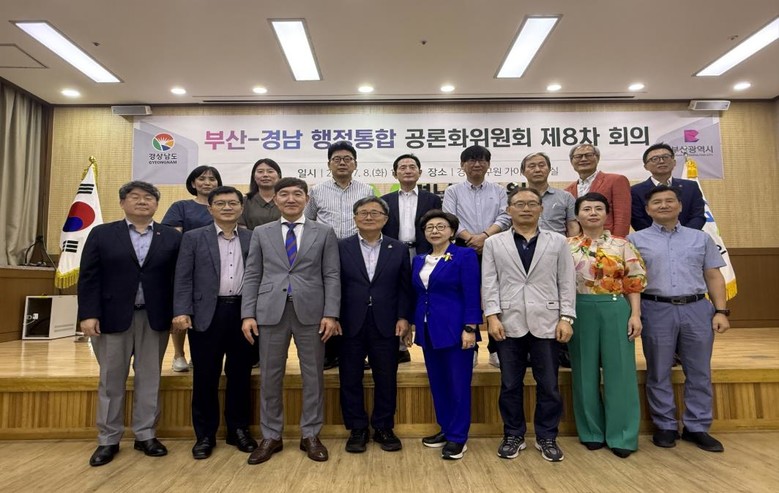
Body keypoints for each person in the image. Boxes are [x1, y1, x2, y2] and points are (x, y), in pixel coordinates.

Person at [78, 181, 181, 467]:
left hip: (154, 317)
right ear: (123, 203)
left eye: (148, 197)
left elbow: (178, 279)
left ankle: (145, 434)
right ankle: (108, 439)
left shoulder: (170, 237)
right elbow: (89, 277)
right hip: (111, 318)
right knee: (111, 379)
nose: (142, 201)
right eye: (135, 197)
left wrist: (178, 312)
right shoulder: (102, 234)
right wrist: (88, 314)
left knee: (150, 378)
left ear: (156, 204)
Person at [241, 177, 341, 464]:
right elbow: (252, 274)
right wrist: (248, 314)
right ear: (275, 200)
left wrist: (331, 313)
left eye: (297, 194)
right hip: (270, 311)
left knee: (313, 376)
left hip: (312, 312)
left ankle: (310, 434)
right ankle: (271, 435)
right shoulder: (261, 232)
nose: (291, 199)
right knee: (270, 376)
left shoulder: (324, 232)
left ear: (307, 200)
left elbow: (331, 274)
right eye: (284, 194)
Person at [628, 185, 730, 453]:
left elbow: (713, 276)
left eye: (669, 201)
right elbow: (631, 281)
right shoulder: (635, 241)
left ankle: (697, 427)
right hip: (655, 308)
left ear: (680, 206)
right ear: (648, 209)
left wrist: (721, 311)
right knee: (658, 370)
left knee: (699, 371)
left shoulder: (700, 238)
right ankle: (665, 425)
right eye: (657, 202)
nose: (664, 205)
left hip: (696, 308)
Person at [481, 187, 576, 463]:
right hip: (507, 322)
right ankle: (513, 434)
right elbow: (489, 282)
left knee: (549, 385)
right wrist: (492, 316)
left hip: (548, 321)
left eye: (532, 204)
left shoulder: (558, 241)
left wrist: (566, 317)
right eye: (519, 204)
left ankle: (547, 436)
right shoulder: (494, 243)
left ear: (541, 209)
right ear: (508, 209)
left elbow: (566, 281)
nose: (526, 208)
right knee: (510, 384)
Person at [172, 186, 257, 460]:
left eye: (232, 203)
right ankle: (205, 435)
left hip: (244, 314)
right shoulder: (194, 238)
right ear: (210, 209)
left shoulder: (253, 237)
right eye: (220, 203)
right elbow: (183, 277)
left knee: (240, 375)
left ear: (241, 208)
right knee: (205, 376)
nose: (227, 207)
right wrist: (182, 310)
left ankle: (238, 430)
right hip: (205, 314)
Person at [567, 192, 647, 458]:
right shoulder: (566, 246)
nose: (592, 213)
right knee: (583, 371)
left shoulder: (622, 245)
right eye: (586, 208)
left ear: (606, 214)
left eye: (598, 208)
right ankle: (591, 431)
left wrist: (635, 315)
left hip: (615, 307)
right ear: (577, 215)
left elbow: (634, 283)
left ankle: (622, 434)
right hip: (579, 308)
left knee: (620, 371)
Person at [338, 197, 412, 453]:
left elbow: (404, 287)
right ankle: (357, 428)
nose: (369, 217)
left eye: (375, 213)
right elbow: (333, 284)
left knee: (386, 377)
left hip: (387, 322)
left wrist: (403, 317)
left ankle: (383, 427)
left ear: (386, 218)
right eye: (363, 213)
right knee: (349, 377)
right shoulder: (341, 247)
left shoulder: (398, 248)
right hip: (350, 322)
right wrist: (333, 316)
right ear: (355, 217)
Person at [406, 210, 481, 460]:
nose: (435, 231)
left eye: (441, 226)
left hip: (456, 330)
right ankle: (446, 428)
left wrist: (470, 327)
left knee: (458, 384)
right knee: (438, 383)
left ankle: (458, 438)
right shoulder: (419, 260)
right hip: (428, 330)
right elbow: (418, 295)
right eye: (429, 227)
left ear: (452, 231)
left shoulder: (464, 255)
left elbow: (472, 292)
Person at [305, 141, 374, 369]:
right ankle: (329, 352)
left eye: (347, 159)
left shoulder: (366, 190)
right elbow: (308, 221)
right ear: (329, 164)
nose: (342, 163)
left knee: (355, 301)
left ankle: (357, 353)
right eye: (337, 159)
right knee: (326, 299)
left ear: (355, 164)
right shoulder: (317, 190)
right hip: (324, 252)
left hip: (357, 252)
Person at [442, 145, 511, 368]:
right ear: (462, 165)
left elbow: (505, 217)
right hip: (464, 246)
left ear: (488, 164)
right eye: (471, 160)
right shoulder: (453, 191)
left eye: (482, 160)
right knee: (467, 295)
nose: (477, 164)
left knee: (496, 294)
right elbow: (450, 218)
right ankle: (471, 346)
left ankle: (496, 348)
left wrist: (485, 236)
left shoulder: (499, 190)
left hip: (495, 244)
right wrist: (471, 238)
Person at [381, 153, 442, 363]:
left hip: (423, 253)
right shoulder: (385, 200)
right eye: (403, 167)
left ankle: (428, 343)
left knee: (424, 294)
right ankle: (399, 347)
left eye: (412, 167)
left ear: (419, 172)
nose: (407, 170)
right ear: (394, 173)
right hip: (394, 253)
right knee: (396, 294)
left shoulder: (432, 199)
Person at [163, 165, 223, 372]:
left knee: (207, 313)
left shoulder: (223, 205)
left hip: (218, 267)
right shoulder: (181, 206)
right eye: (202, 178)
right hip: (187, 265)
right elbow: (173, 236)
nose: (207, 182)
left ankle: (200, 354)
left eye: (212, 179)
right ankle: (179, 354)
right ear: (193, 183)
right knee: (182, 309)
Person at [631, 143, 706, 231]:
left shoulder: (691, 186)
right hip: (650, 238)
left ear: (674, 162)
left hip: (689, 237)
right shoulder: (635, 191)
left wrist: (683, 235)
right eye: (655, 159)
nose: (661, 161)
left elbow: (698, 216)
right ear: (646, 166)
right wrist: (656, 236)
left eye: (666, 157)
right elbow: (638, 220)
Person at [564, 144, 631, 237]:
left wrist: (618, 241)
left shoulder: (616, 180)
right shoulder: (567, 191)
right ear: (571, 161)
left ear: (598, 158)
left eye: (588, 155)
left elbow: (622, 217)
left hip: (608, 240)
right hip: (579, 242)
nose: (583, 159)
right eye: (578, 156)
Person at [521, 151, 579, 237]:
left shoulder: (566, 197)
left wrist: (572, 244)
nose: (537, 170)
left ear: (549, 169)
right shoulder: (516, 199)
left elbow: (572, 226)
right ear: (523, 172)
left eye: (541, 165)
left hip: (558, 244)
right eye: (532, 166)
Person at [240, 158, 282, 230]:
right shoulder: (244, 202)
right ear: (254, 176)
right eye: (260, 172)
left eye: (270, 171)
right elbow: (242, 229)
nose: (265, 175)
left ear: (279, 176)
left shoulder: (286, 200)